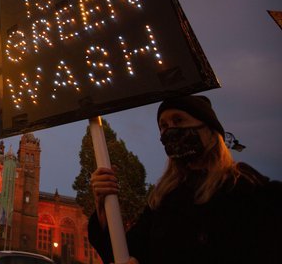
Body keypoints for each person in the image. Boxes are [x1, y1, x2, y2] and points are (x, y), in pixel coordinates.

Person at [88, 95, 282, 264]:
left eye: (178, 120)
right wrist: (104, 206)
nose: (170, 130)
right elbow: (124, 252)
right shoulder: (164, 199)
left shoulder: (245, 187)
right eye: (164, 125)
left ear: (209, 131)